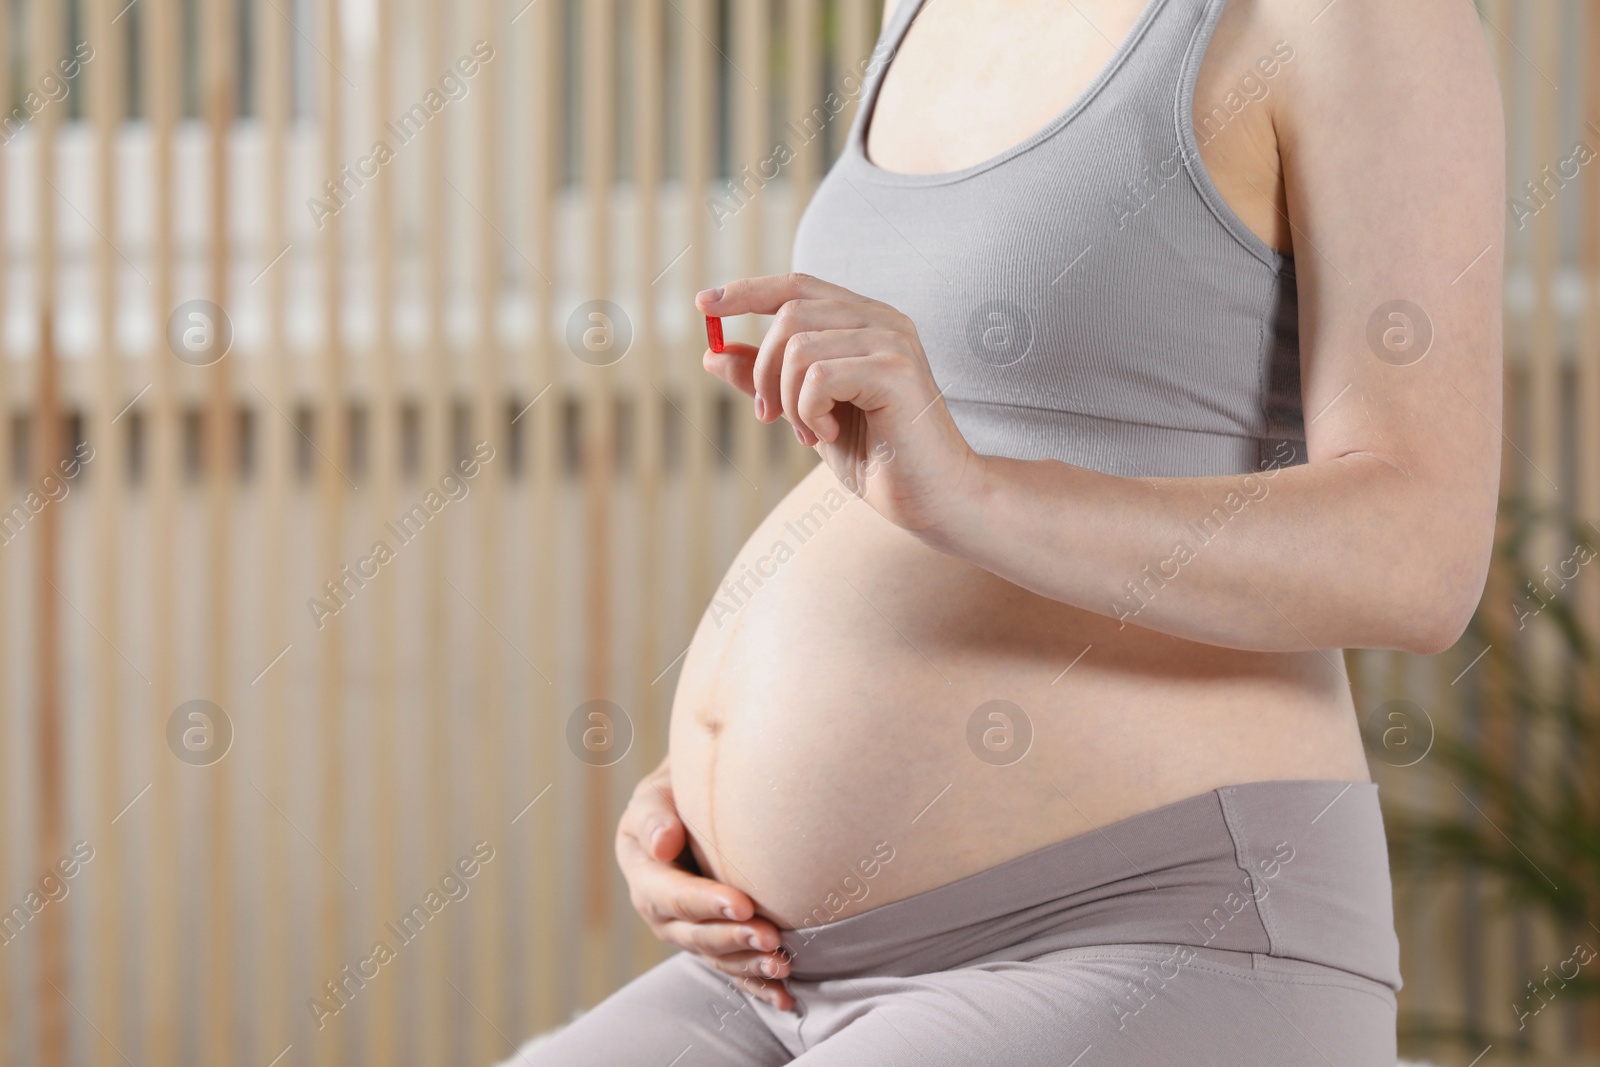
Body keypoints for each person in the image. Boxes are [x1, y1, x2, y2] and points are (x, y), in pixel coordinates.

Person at [530, 0, 1504, 1062]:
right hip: (773, 965)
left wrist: (979, 492)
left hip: (1138, 930)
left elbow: (1419, 552)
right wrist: (710, 789)